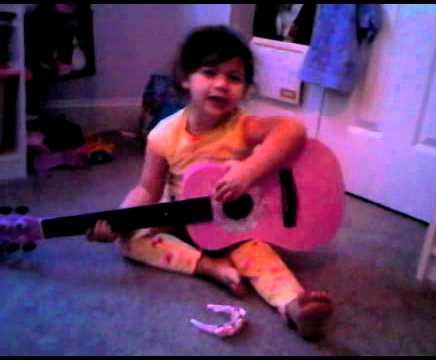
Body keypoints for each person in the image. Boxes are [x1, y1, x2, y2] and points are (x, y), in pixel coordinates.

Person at [86, 25, 333, 340]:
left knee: (257, 252)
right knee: (132, 240)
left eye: (234, 77)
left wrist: (248, 172)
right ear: (185, 78)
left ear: (245, 89)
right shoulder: (163, 134)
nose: (221, 84)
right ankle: (208, 266)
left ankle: (293, 307)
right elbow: (147, 189)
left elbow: (292, 130)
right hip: (179, 218)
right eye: (210, 72)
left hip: (233, 227)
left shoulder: (242, 126)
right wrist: (120, 218)